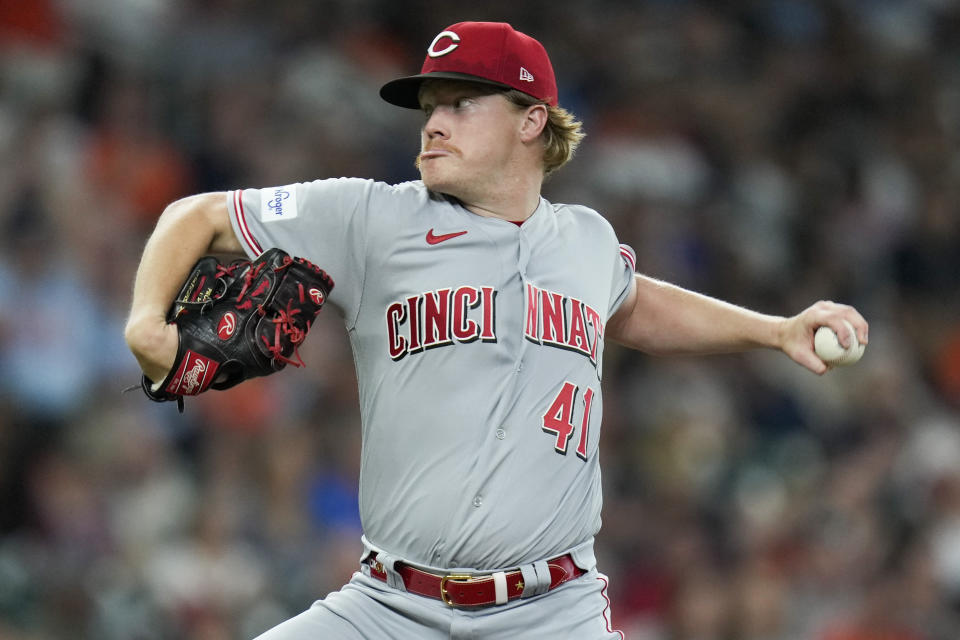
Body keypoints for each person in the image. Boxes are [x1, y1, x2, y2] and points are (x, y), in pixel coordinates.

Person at [124, 21, 869, 640]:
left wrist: (775, 332)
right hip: (388, 608)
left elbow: (634, 305)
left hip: (552, 613)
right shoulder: (372, 217)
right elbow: (195, 217)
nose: (435, 122)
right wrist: (147, 322)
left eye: (461, 102)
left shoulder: (585, 239)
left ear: (531, 119)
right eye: (429, 107)